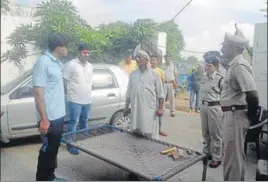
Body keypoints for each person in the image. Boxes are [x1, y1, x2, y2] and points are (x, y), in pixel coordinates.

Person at [220, 32, 259, 181]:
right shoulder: (233, 65)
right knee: (233, 156)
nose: (223, 49)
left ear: (233, 47)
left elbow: (252, 94)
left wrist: (250, 117)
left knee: (232, 159)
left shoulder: (239, 65)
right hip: (232, 114)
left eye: (225, 45)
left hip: (236, 115)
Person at [32, 32, 69, 181]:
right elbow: (38, 92)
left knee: (53, 149)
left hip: (58, 115)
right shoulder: (43, 62)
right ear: (60, 48)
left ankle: (50, 176)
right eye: (66, 47)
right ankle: (42, 178)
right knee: (47, 150)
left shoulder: (57, 63)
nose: (68, 50)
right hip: (49, 117)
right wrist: (44, 119)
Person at [124, 50, 165, 139]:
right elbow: (128, 93)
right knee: (136, 132)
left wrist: (161, 108)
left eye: (139, 57)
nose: (137, 59)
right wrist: (126, 107)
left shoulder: (155, 74)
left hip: (150, 108)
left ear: (146, 60)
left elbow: (161, 94)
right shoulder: (133, 74)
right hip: (136, 108)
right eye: (136, 57)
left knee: (150, 132)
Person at [62, 43, 93, 155]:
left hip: (87, 100)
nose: (86, 55)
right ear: (79, 52)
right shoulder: (71, 65)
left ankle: (83, 144)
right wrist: (69, 95)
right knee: (73, 123)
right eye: (84, 52)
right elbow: (64, 80)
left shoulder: (90, 66)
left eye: (88, 52)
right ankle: (71, 145)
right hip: (75, 100)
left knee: (85, 122)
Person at [199, 52, 224, 168]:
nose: (207, 67)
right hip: (204, 107)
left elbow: (226, 95)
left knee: (216, 134)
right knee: (205, 132)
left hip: (215, 107)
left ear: (215, 66)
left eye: (210, 66)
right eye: (206, 65)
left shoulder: (220, 79)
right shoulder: (204, 77)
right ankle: (208, 152)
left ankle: (217, 157)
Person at [150, 54, 167, 137]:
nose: (152, 61)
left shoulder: (160, 72)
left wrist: (162, 98)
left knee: (159, 114)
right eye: (151, 60)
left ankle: (159, 130)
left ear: (157, 62)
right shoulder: (147, 71)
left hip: (158, 97)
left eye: (153, 60)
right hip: (150, 97)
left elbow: (162, 85)